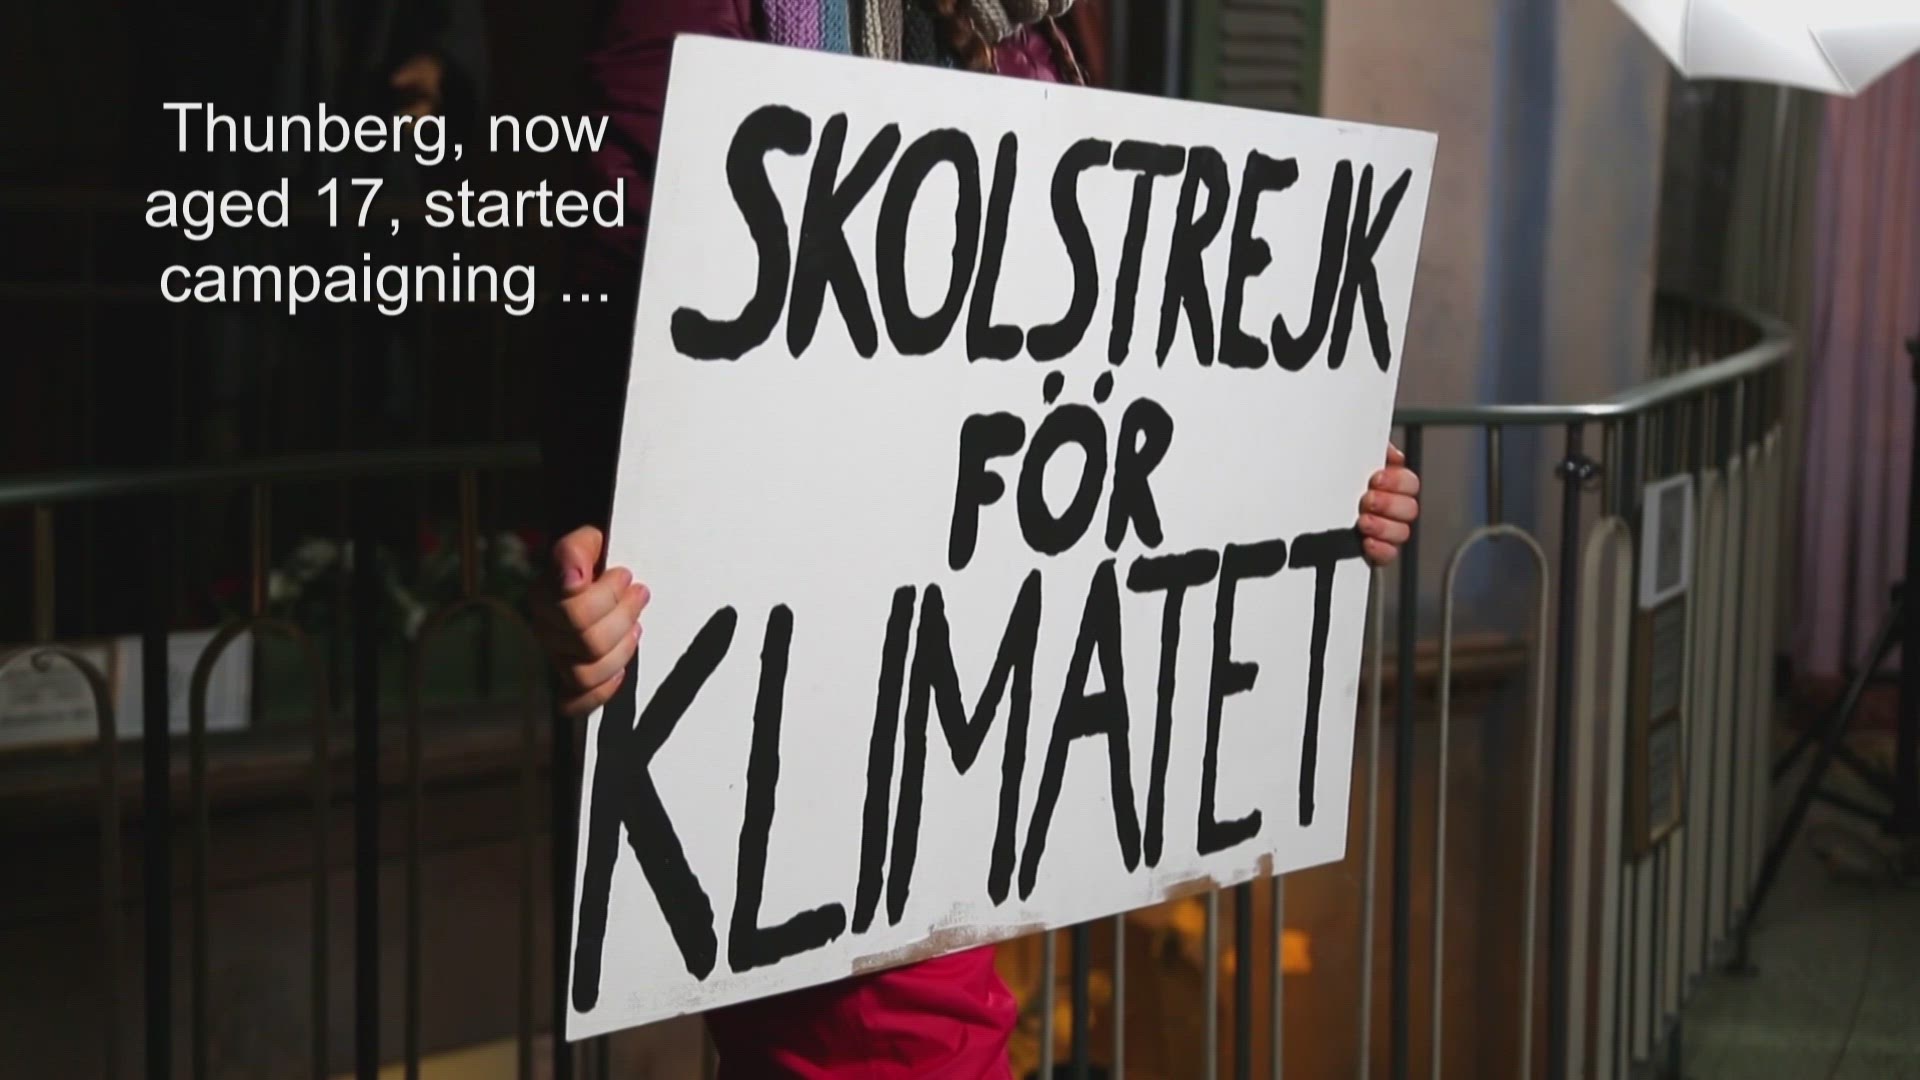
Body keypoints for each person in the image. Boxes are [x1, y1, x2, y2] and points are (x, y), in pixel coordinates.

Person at [535, 1, 1422, 1076]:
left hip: (992, 724)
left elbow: (1116, 348)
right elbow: (625, 290)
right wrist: (591, 551)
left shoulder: (1033, 31)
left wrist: (1315, 484)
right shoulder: (726, 17)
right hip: (829, 718)